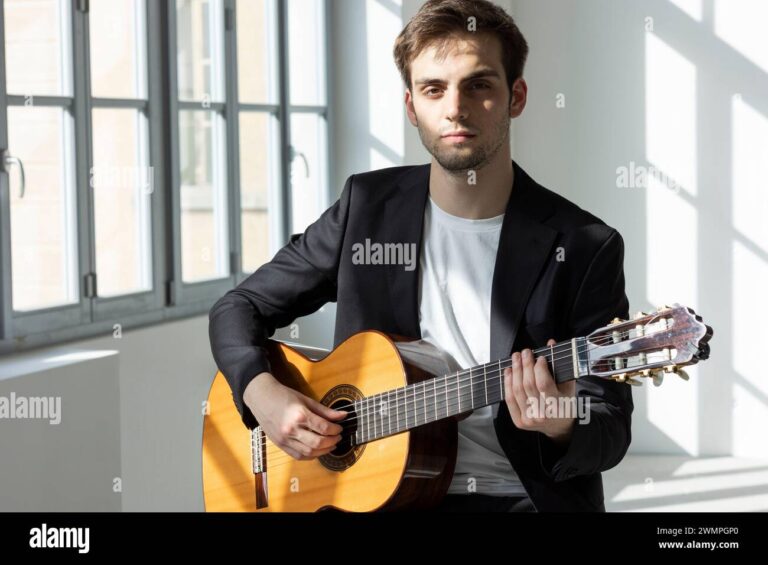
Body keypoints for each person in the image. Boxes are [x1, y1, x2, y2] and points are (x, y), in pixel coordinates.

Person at [208, 0, 632, 512]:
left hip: (516, 497)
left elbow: (610, 426)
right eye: (434, 89)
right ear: (412, 107)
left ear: (516, 97)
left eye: (478, 85)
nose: (455, 108)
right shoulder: (366, 209)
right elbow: (238, 308)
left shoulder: (584, 245)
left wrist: (561, 421)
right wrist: (262, 395)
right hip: (371, 497)